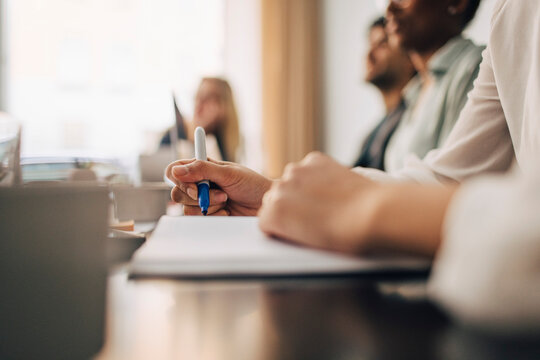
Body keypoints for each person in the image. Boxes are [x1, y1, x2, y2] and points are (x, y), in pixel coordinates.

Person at [167, 0, 540, 329]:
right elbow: (448, 178)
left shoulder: (468, 61)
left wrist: (360, 210)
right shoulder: (509, 15)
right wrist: (275, 196)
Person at [379, 0, 483, 172]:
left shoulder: (476, 68)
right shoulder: (414, 92)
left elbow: (452, 177)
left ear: (457, 3)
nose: (389, 7)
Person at [353, 17, 415, 170]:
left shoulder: (416, 120)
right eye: (370, 44)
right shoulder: (371, 136)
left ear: (410, 58)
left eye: (382, 45)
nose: (369, 54)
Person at [160, 77, 241, 162]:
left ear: (223, 107)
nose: (199, 103)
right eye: (198, 96)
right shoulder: (173, 134)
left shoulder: (222, 141)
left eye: (208, 98)